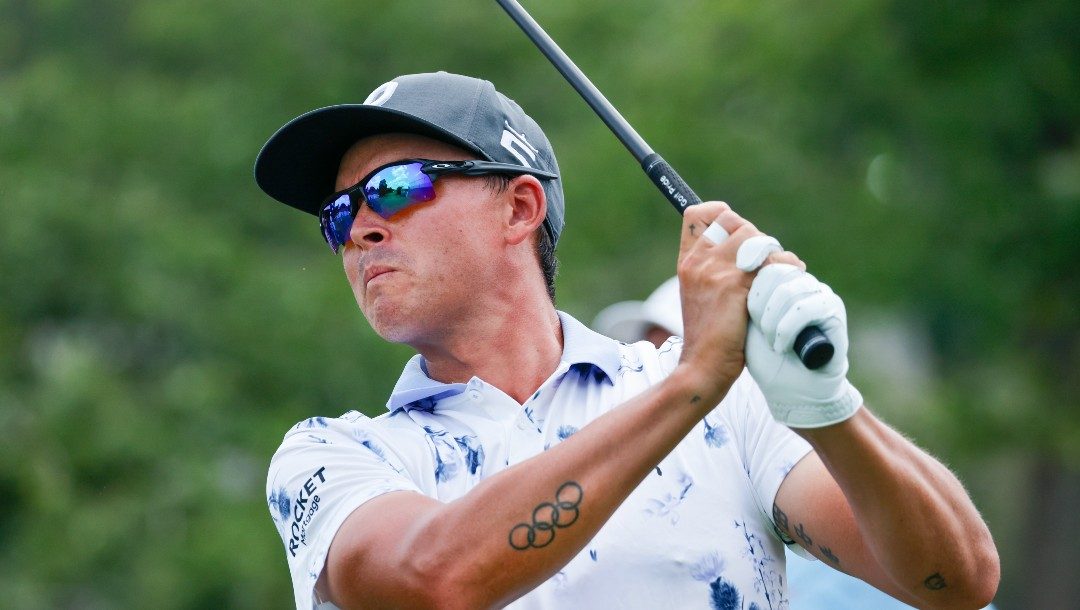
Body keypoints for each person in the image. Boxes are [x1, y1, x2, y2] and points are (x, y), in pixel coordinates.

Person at [255, 71, 999, 610]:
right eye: (337, 215)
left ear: (519, 207)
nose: (360, 229)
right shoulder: (334, 456)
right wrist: (693, 382)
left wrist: (827, 406)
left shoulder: (727, 407)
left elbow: (955, 581)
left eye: (392, 189)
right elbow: (434, 582)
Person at [593, 278, 999, 610]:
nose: (662, 384)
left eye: (679, 355)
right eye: (649, 358)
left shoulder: (829, 520)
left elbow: (962, 582)